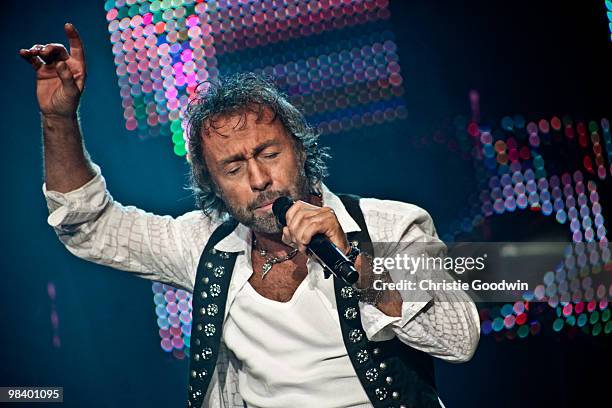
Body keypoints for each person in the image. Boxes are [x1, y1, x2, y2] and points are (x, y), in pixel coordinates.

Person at [21, 24, 480, 408]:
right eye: (234, 167)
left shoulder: (392, 226)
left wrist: (361, 269)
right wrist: (59, 121)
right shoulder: (203, 244)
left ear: (300, 151)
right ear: (212, 182)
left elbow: (458, 340)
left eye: (268, 153)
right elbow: (90, 228)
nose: (259, 179)